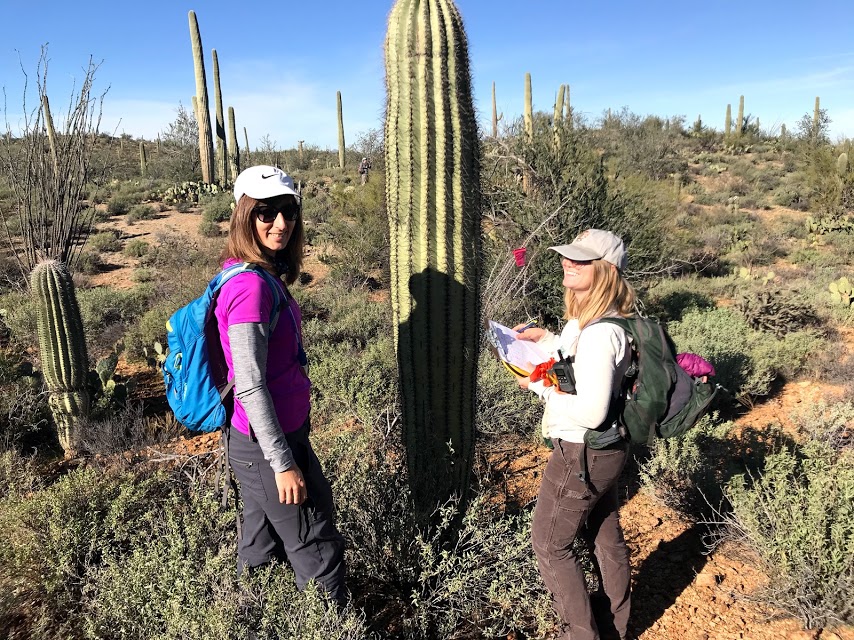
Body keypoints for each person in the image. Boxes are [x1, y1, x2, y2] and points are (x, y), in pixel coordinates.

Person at [216, 164, 346, 605]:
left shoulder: (258, 276)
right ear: (245, 216)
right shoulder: (250, 288)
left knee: (261, 543)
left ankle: (251, 619)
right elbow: (250, 385)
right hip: (268, 446)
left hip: (259, 442)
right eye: (266, 213)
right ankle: (331, 629)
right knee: (316, 547)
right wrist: (283, 463)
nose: (281, 223)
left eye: (288, 210)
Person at [515, 229, 634, 640]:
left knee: (550, 545)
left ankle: (582, 635)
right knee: (604, 531)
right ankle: (615, 626)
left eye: (581, 260)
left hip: (582, 452)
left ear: (604, 271)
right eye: (568, 256)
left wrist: (538, 386)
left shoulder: (601, 333)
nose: (569, 262)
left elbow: (591, 409)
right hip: (606, 450)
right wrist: (544, 339)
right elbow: (575, 361)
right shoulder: (594, 321)